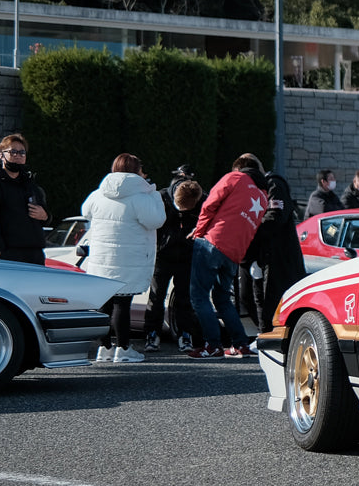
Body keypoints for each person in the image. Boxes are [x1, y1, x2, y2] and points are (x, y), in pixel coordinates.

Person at [80, 154, 166, 363]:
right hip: (129, 257)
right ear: (137, 170)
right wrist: (154, 194)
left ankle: (104, 348)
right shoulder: (142, 196)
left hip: (102, 256)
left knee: (105, 303)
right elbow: (156, 220)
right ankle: (124, 348)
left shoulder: (98, 193)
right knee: (122, 303)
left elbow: (85, 212)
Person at [186, 154, 269, 359]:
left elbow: (209, 205)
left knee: (199, 296)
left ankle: (213, 345)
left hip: (213, 242)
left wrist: (198, 231)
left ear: (238, 167)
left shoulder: (235, 178)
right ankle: (240, 344)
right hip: (235, 253)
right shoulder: (263, 196)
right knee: (223, 299)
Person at [242, 159, 306, 339]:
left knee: (272, 299)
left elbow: (275, 217)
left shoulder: (274, 185)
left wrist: (250, 230)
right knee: (255, 298)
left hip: (278, 256)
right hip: (263, 254)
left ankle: (272, 336)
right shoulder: (259, 189)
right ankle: (266, 334)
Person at [143, 165, 201, 352]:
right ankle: (152, 333)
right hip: (163, 254)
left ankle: (185, 334)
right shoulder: (161, 197)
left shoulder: (199, 197)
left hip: (187, 254)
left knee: (184, 298)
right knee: (156, 296)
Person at [0, 133, 49, 264]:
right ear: (2, 155)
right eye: (13, 152)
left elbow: (44, 215)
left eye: (22, 152)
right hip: (9, 254)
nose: (17, 156)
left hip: (35, 253)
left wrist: (45, 216)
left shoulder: (30, 184)